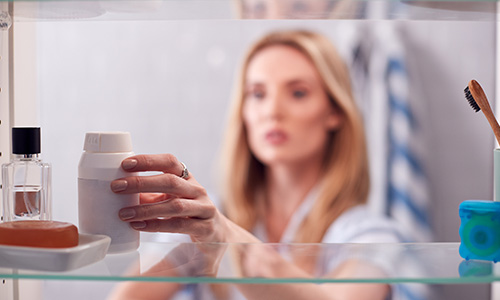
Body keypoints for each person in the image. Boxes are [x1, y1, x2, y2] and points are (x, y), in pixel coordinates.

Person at [108, 30, 408, 300]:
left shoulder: (369, 234)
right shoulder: (200, 217)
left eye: (298, 92)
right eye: (258, 94)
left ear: (335, 112)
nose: (272, 111)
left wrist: (222, 235)